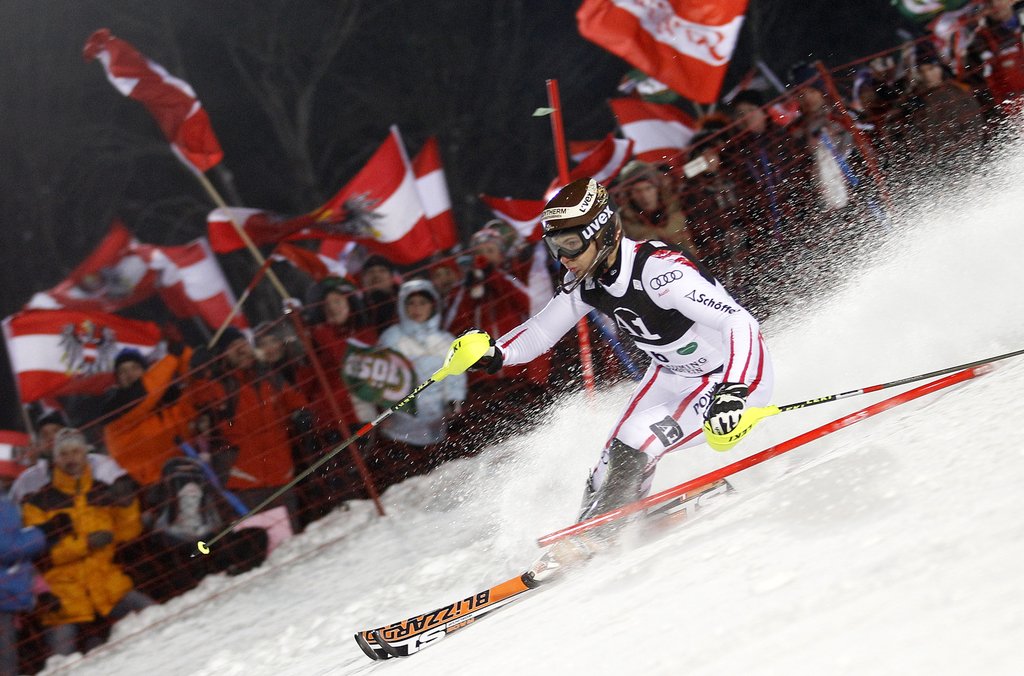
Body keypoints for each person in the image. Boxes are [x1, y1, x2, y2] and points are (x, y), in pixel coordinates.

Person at [464, 178, 773, 540]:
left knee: (636, 438)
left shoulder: (660, 272)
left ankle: (601, 536)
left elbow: (738, 321)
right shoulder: (585, 279)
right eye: (554, 246)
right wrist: (496, 352)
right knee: (608, 463)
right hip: (672, 373)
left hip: (732, 378)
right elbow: (542, 332)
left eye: (571, 244)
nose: (563, 257)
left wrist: (734, 390)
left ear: (604, 232)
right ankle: (592, 530)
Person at [20, 429, 153, 656]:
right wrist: (86, 544)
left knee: (158, 618)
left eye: (75, 451)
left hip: (108, 586)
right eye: (64, 454)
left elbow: (127, 535)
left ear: (85, 454)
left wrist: (127, 507)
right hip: (65, 598)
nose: (70, 458)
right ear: (55, 459)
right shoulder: (37, 503)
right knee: (61, 663)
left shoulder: (103, 491)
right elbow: (42, 555)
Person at [378, 280, 466, 467]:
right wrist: (381, 410)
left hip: (436, 425)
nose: (416, 308)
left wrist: (453, 401)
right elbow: (380, 378)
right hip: (398, 427)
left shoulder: (445, 340)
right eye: (411, 303)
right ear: (402, 306)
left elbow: (455, 376)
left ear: (433, 305)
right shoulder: (391, 337)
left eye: (422, 303)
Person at [101, 346, 194, 487]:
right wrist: (174, 357)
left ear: (146, 371)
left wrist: (186, 354)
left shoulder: (169, 400)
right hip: (150, 488)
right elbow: (144, 393)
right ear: (118, 380)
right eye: (122, 371)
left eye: (135, 367)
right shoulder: (114, 412)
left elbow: (195, 389)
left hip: (190, 476)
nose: (129, 374)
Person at [0, 493, 70, 675]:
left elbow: (21, 565)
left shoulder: (7, 504)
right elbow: (8, 548)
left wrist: (42, 591)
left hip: (17, 602)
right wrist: (44, 532)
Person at [613, 161, 696, 252]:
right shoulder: (622, 224)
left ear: (657, 189)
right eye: (637, 191)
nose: (644, 196)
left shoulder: (678, 207)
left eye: (648, 188)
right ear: (629, 195)